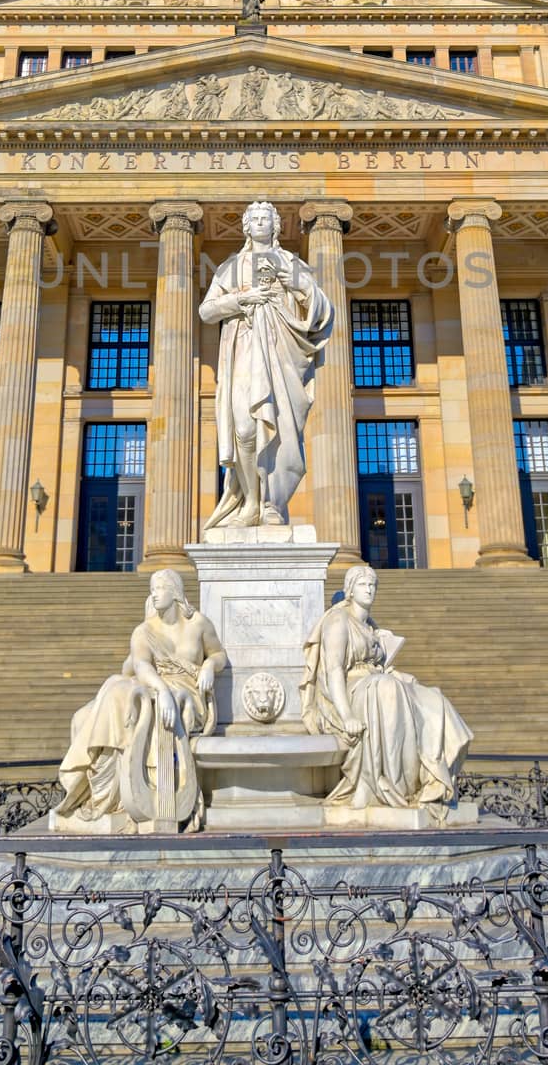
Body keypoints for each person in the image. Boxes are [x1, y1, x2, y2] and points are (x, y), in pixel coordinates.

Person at [54, 569, 226, 828]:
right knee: (101, 701)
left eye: (159, 588)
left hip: (188, 693)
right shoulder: (144, 630)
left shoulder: (198, 623)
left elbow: (218, 654)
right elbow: (142, 667)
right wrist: (163, 691)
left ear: (175, 591)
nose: (153, 594)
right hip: (157, 686)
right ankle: (104, 794)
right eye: (152, 589)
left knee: (121, 691)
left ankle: (132, 795)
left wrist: (209, 667)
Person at [199, 201, 332, 528]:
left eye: (265, 219)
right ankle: (251, 503)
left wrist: (296, 283)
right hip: (243, 347)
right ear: (246, 227)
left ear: (275, 226)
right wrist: (241, 299)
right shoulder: (230, 267)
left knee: (281, 430)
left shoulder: (292, 263)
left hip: (281, 353)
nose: (259, 223)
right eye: (254, 219)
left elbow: (322, 309)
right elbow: (206, 312)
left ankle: (272, 504)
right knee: (245, 428)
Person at [301, 565, 472, 811]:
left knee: (432, 698)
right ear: (349, 589)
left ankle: (431, 778)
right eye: (362, 584)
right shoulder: (338, 620)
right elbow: (334, 671)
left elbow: (380, 666)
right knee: (387, 689)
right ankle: (391, 785)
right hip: (350, 690)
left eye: (372, 585)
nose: (369, 590)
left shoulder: (370, 624)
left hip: (376, 681)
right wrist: (347, 715)